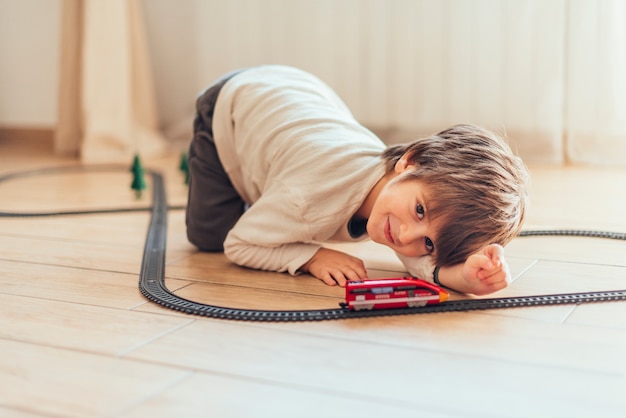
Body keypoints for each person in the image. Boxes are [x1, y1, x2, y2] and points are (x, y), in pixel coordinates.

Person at [186, 65, 528, 296]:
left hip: (297, 98)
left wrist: (467, 278)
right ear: (410, 161)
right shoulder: (308, 198)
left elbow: (422, 264)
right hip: (230, 105)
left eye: (428, 244)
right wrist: (311, 257)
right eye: (420, 211)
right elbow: (239, 244)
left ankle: (268, 203)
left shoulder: (402, 193)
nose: (407, 236)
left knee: (274, 210)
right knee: (211, 235)